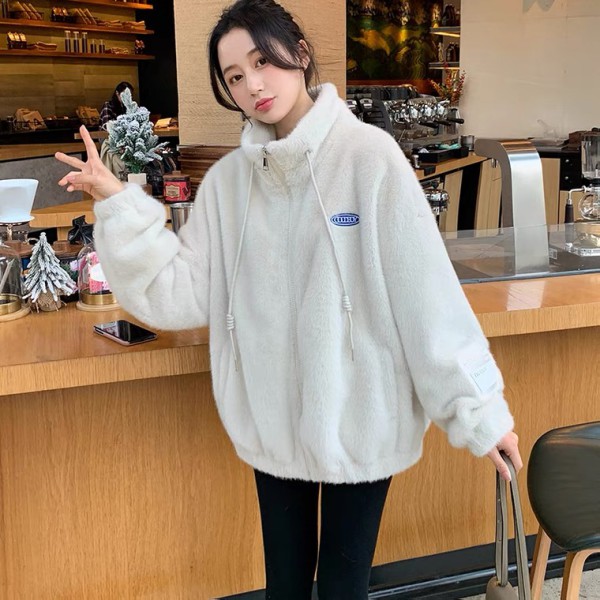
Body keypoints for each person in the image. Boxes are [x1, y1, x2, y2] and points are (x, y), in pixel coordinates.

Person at [55, 1, 522, 598]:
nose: (253, 85)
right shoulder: (229, 185)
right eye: (234, 76)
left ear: (299, 53)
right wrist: (118, 202)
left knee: (344, 589)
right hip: (271, 420)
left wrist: (481, 413)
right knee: (285, 588)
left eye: (262, 62)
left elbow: (426, 296)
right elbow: (178, 294)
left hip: (363, 416)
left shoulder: (370, 159)